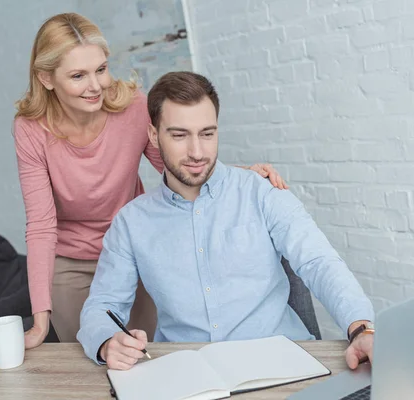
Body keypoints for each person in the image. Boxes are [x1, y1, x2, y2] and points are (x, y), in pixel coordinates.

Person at [13, 13, 287, 348]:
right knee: (95, 361)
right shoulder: (30, 130)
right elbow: (41, 224)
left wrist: (241, 175)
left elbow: (179, 168)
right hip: (72, 264)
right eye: (78, 75)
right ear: (46, 78)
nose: (96, 85)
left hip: (134, 251)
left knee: (148, 357)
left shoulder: (133, 109)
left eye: (101, 69)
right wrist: (40, 321)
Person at [77, 71, 376, 371]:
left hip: (282, 364)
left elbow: (319, 262)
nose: (197, 152)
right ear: (154, 136)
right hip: (188, 373)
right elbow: (102, 306)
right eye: (180, 135)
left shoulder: (262, 192)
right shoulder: (131, 222)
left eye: (207, 134)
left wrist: (362, 329)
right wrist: (106, 341)